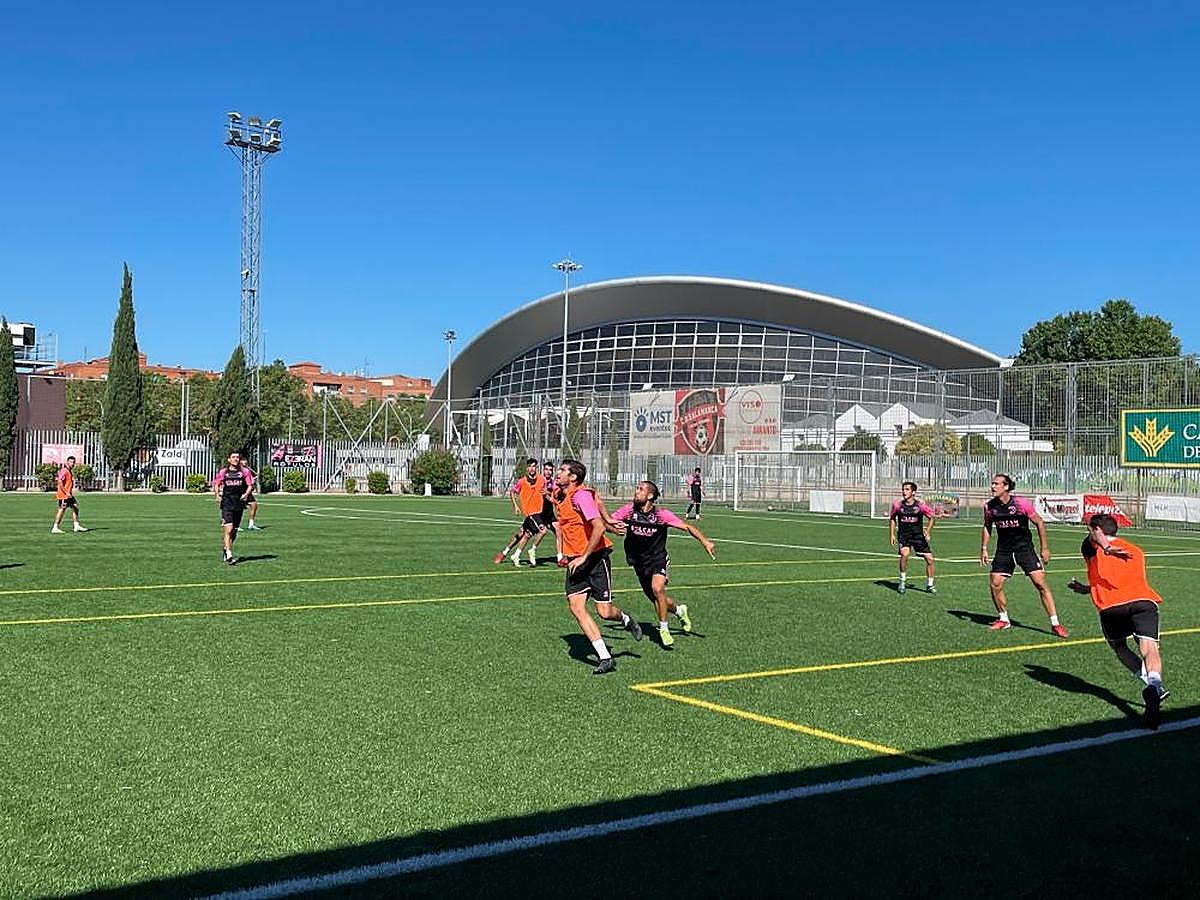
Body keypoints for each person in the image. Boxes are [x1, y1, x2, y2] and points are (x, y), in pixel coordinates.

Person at [1067, 513, 1169, 729]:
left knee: (1120, 647)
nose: (1088, 531)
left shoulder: (1093, 548)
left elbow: (1094, 537)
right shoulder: (1136, 550)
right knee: (1149, 647)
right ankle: (1154, 685)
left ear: (1097, 530)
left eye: (1090, 528)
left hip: (1112, 608)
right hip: (1143, 602)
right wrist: (1087, 589)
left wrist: (1104, 546)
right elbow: (1118, 580)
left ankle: (1151, 686)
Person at [554, 458, 642, 674]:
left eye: (563, 470)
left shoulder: (580, 496)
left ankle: (625, 618)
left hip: (594, 558)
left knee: (604, 612)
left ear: (573, 477)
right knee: (576, 607)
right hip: (576, 561)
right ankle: (605, 657)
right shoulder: (562, 494)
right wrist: (609, 520)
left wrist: (586, 553)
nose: (558, 472)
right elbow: (598, 500)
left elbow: (598, 527)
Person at [607, 480, 715, 648]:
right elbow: (607, 522)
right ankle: (679, 610)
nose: (636, 492)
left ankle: (664, 629)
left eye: (641, 489)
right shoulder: (629, 511)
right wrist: (614, 528)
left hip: (657, 559)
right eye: (637, 489)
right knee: (656, 598)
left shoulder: (661, 515)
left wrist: (705, 542)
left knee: (658, 589)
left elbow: (687, 527)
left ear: (650, 496)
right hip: (638, 562)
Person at [980, 473, 1068, 638]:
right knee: (995, 583)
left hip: (1025, 549)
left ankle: (1055, 623)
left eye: (996, 484)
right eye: (992, 484)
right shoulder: (989, 507)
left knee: (1040, 583)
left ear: (1006, 487)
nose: (993, 487)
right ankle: (1004, 619)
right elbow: (987, 526)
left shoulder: (1021, 503)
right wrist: (984, 548)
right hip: (1004, 551)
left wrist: (1044, 548)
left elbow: (1039, 522)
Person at [494, 458, 550, 566]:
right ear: (527, 468)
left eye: (534, 466)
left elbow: (545, 492)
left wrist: (550, 496)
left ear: (536, 468)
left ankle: (511, 554)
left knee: (524, 534)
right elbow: (512, 492)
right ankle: (532, 550)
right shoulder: (522, 481)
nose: (532, 469)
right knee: (543, 531)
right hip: (530, 513)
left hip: (538, 513)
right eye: (530, 466)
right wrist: (515, 506)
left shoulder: (542, 479)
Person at [888, 481, 936, 594]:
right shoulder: (898, 505)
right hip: (904, 536)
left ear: (913, 492)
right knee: (905, 554)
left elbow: (932, 517)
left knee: (930, 559)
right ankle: (902, 582)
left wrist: (927, 531)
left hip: (918, 536)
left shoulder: (920, 505)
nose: (904, 492)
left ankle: (930, 585)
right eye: (903, 489)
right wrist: (892, 534)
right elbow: (892, 518)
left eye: (907, 489)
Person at [213, 451, 254, 565]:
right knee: (229, 529)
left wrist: (246, 495)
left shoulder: (244, 472)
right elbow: (217, 483)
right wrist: (217, 495)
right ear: (229, 459)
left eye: (237, 457)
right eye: (233, 457)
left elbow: (250, 485)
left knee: (234, 532)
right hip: (227, 503)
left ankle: (226, 548)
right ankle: (229, 555)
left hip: (239, 504)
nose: (235, 459)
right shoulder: (224, 472)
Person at [51, 456, 88, 534]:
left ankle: (76, 526)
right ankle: (55, 527)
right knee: (62, 510)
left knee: (75, 507)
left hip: (68, 495)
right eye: (71, 462)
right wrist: (66, 492)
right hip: (64, 495)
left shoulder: (69, 471)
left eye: (74, 462)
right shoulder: (64, 470)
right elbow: (60, 481)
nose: (72, 464)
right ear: (67, 462)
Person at [541, 460, 565, 567]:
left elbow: (555, 495)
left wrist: (548, 494)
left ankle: (560, 558)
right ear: (543, 470)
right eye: (546, 469)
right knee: (524, 534)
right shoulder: (539, 480)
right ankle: (508, 552)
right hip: (538, 512)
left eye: (550, 470)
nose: (548, 472)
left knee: (559, 530)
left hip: (549, 513)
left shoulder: (554, 482)